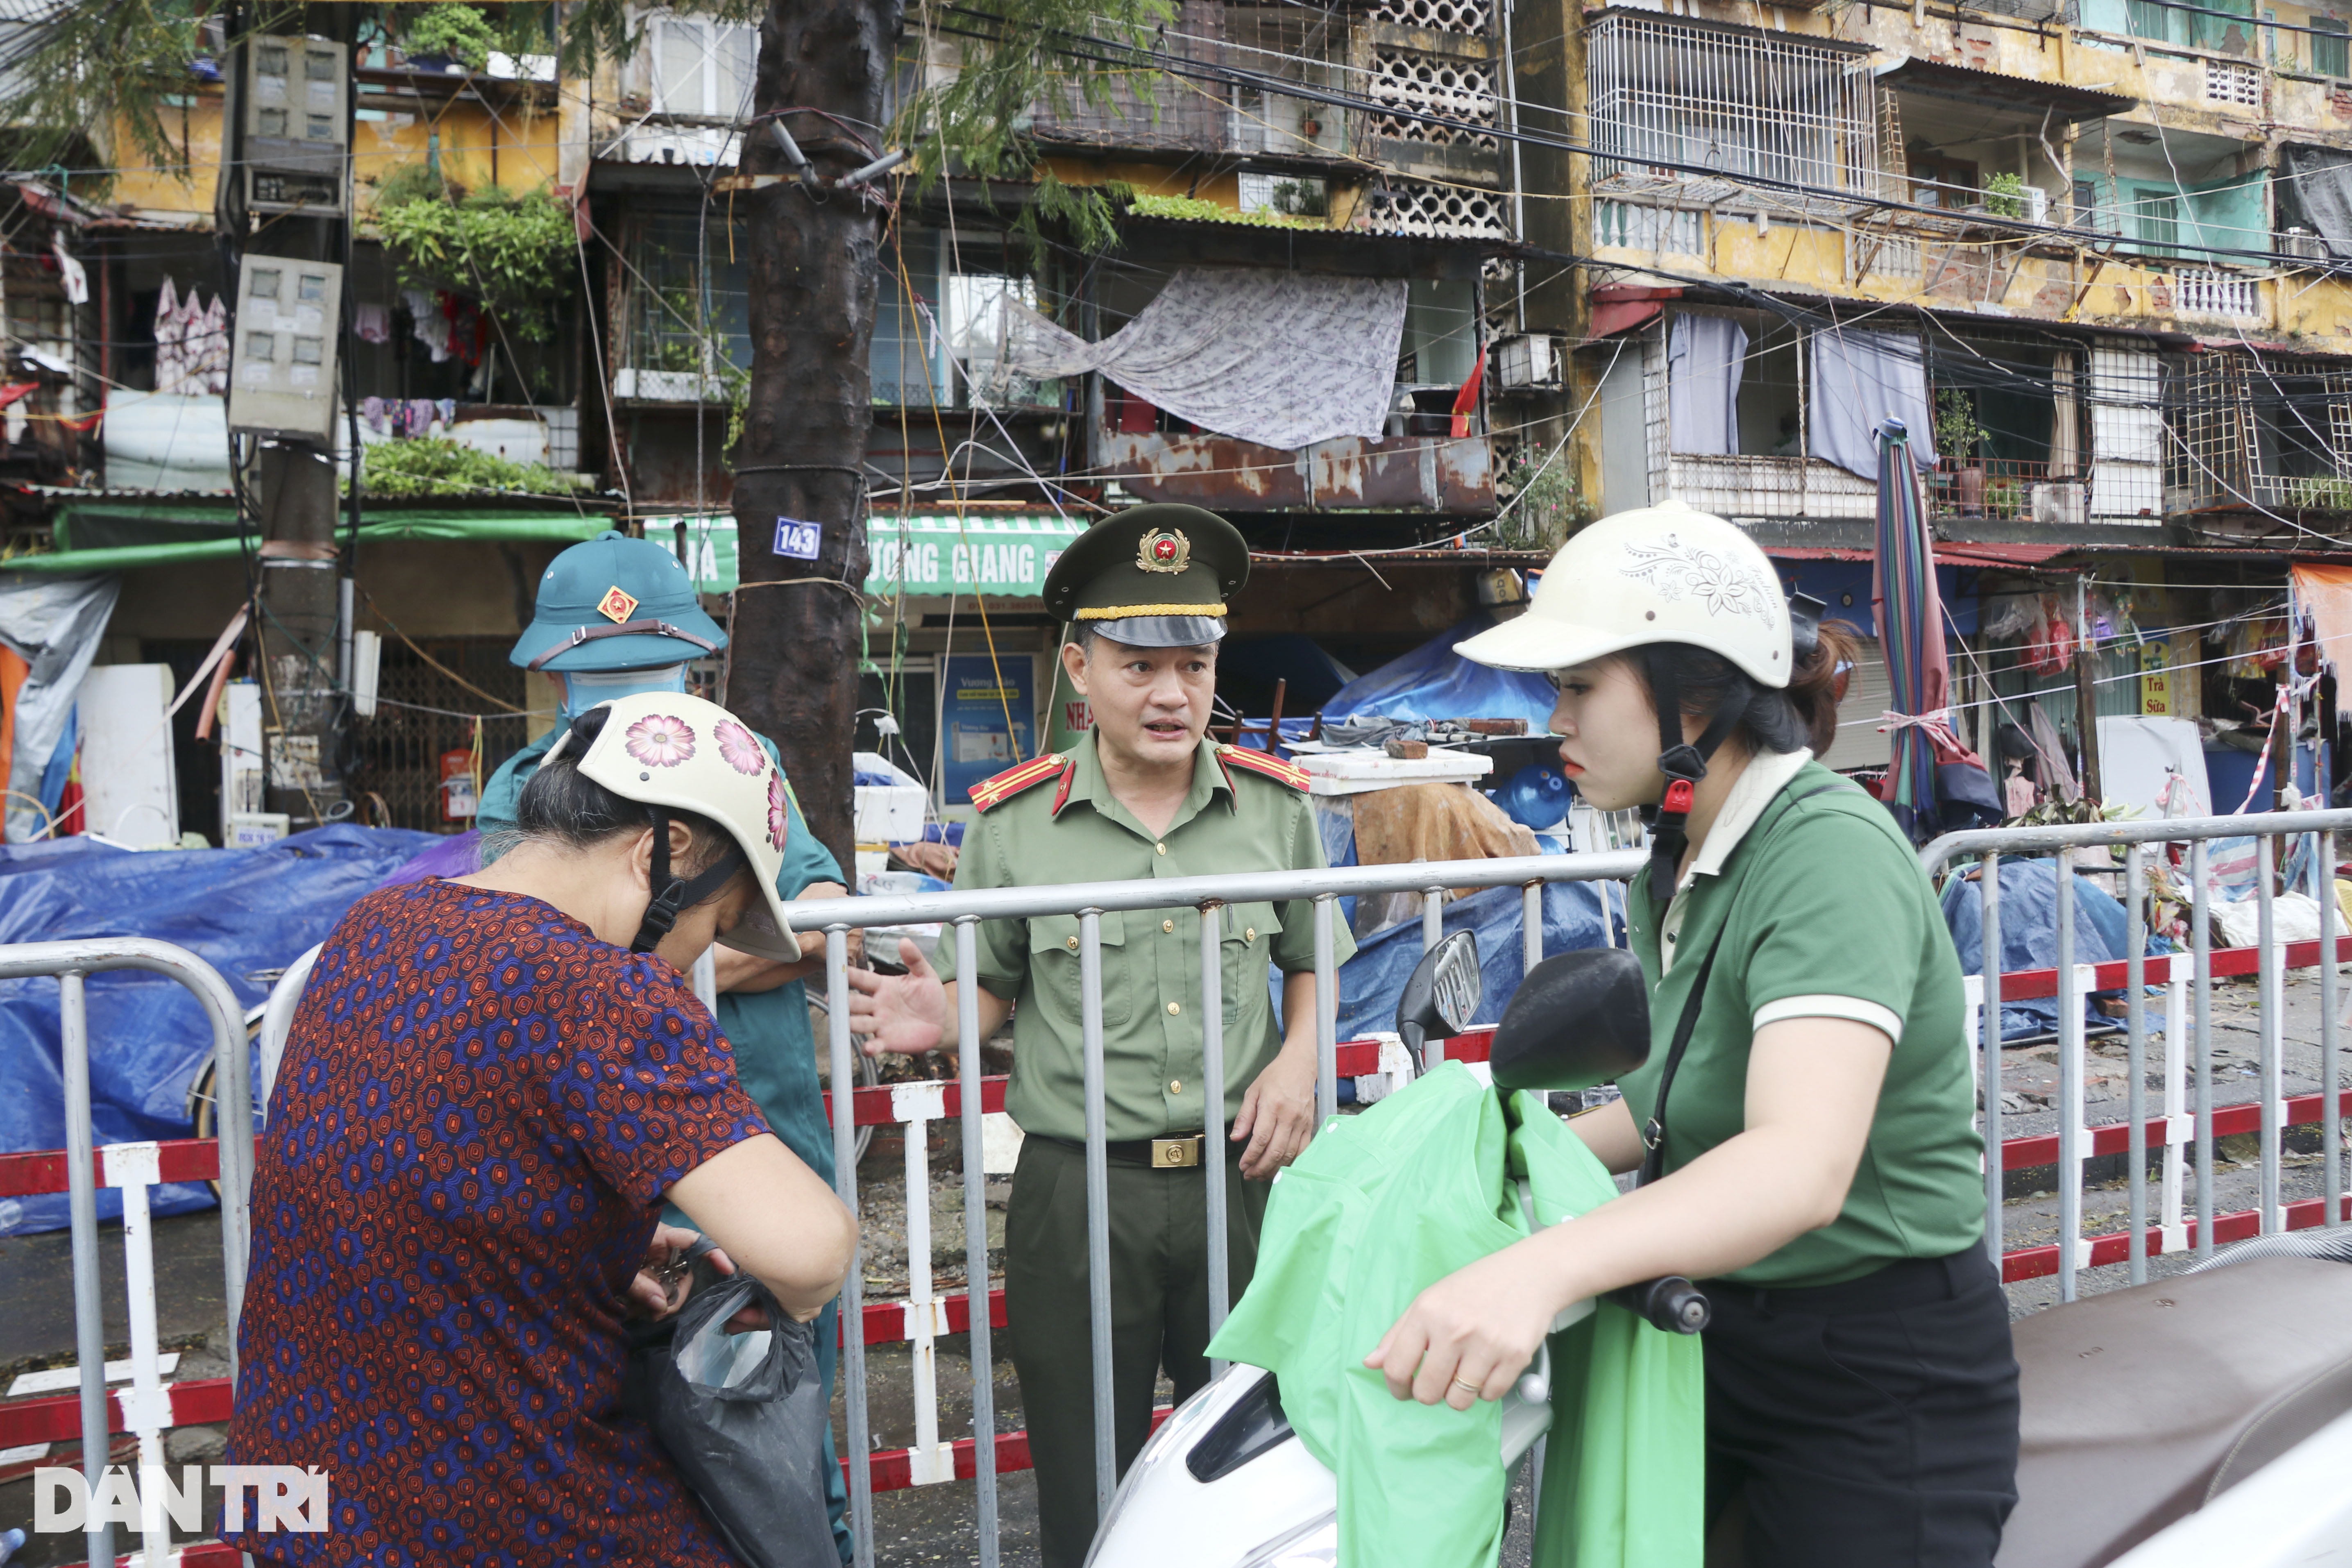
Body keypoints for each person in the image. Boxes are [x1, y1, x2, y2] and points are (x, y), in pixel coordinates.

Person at [1367, 501, 2019, 1566]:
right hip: (1718, 1331)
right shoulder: (1677, 864)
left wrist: (1538, 1267)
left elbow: (1796, 1164)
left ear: (1694, 689)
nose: (1556, 719)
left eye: (1579, 686)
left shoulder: (1824, 853)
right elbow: (1678, 1095)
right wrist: (1487, 1163)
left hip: (1873, 1371)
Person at [225, 691, 858, 1567]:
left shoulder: (375, 930)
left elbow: (423, 1172)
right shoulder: (599, 991)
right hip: (490, 1504)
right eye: (711, 926)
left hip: (298, 1483)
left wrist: (595, 1244)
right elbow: (811, 1249)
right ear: (657, 855)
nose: (697, 962)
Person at [846, 504, 1355, 1568]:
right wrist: (941, 1016)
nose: (1172, 693)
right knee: (1088, 1480)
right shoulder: (1011, 823)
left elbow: (1312, 956)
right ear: (1078, 669)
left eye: (1193, 662)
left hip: (1243, 1179)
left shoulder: (1275, 811)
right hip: (1079, 1193)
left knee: (1267, 1457)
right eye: (1137, 666)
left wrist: (1300, 1062)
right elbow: (987, 988)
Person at [481, 527, 859, 1560]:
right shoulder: (525, 785)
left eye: (650, 674)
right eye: (598, 678)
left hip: (759, 1126)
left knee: (781, 1415)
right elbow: (524, 962)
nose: (628, 703)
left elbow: (823, 911)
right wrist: (708, 952)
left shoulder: (744, 761)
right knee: (630, 1421)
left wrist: (664, 964)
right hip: (607, 1171)